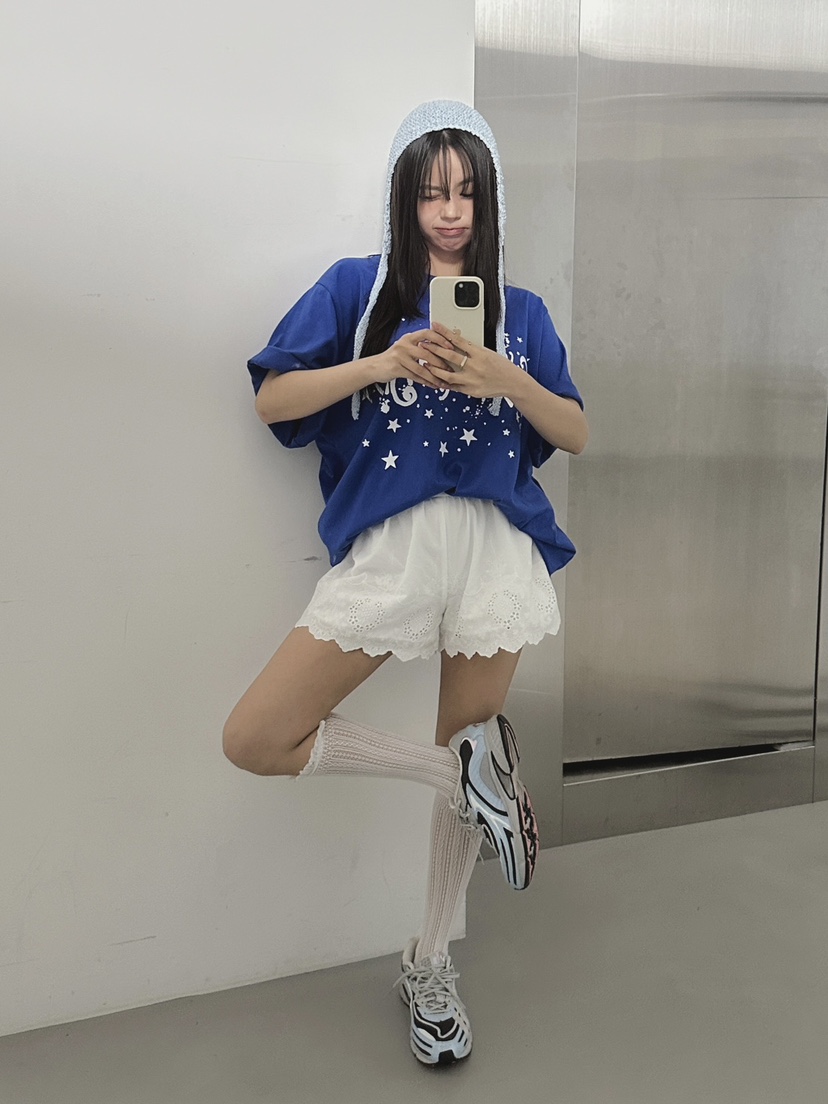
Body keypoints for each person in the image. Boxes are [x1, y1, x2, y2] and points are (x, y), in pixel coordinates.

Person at [223, 99, 588, 1066]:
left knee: (466, 733)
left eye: (466, 192)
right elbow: (273, 398)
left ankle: (430, 965)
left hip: (495, 547)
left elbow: (576, 430)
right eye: (431, 192)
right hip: (395, 546)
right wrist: (382, 362)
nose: (450, 212)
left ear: (489, 199)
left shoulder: (520, 311)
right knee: (258, 735)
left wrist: (506, 381)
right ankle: (466, 775)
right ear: (404, 197)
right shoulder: (358, 289)